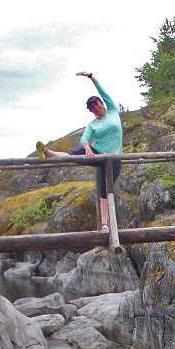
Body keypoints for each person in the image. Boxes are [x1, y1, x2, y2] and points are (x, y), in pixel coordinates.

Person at [40, 71, 123, 232]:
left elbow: (103, 92)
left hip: (115, 158)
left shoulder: (112, 111)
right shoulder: (93, 124)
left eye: (97, 104)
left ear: (102, 104)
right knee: (75, 153)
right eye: (92, 108)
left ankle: (109, 224)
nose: (96, 108)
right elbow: (84, 139)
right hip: (97, 153)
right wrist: (87, 148)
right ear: (91, 111)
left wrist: (91, 77)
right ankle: (50, 153)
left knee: (106, 190)